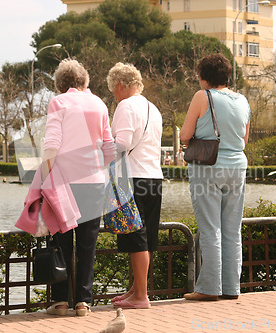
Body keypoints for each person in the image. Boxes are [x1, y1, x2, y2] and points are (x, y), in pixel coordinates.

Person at [42, 59, 115, 316]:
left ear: (61, 84)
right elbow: (109, 146)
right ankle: (84, 302)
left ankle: (60, 301)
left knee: (61, 242)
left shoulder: (58, 103)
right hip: (94, 183)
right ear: (85, 81)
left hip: (64, 183)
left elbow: (52, 143)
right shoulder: (99, 104)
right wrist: (100, 168)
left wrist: (44, 175)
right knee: (88, 244)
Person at [180, 53, 250, 301]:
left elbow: (185, 135)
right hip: (237, 167)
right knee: (232, 230)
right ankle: (231, 288)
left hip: (207, 167)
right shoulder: (243, 100)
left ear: (204, 77)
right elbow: (244, 139)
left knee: (210, 228)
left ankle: (209, 288)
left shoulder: (203, 96)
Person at [107, 62, 163, 309]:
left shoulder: (125, 106)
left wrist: (101, 146)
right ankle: (136, 290)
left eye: (113, 90)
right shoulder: (153, 108)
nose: (114, 94)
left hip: (131, 178)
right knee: (148, 238)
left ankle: (141, 296)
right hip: (154, 176)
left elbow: (122, 145)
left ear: (119, 85)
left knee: (135, 237)